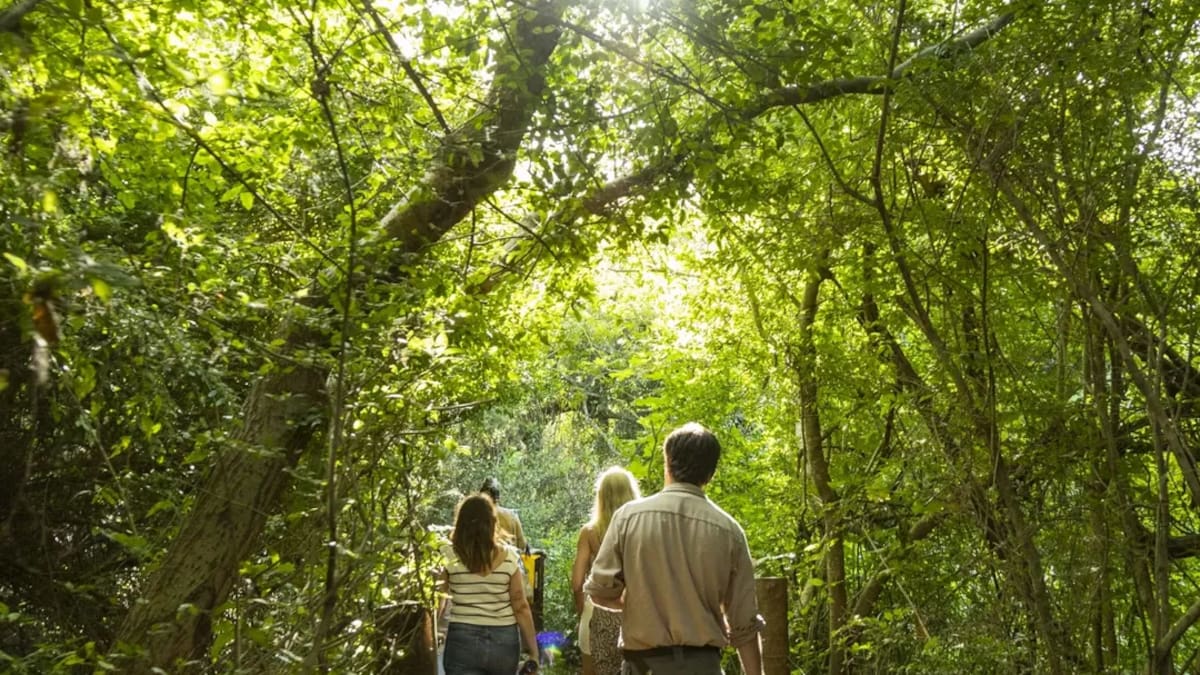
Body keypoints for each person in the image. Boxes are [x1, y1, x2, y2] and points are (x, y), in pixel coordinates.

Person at [584, 423, 765, 675]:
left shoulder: (628, 518)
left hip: (642, 666)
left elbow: (599, 591)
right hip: (702, 667)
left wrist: (639, 605)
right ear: (710, 474)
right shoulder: (729, 531)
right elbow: (744, 625)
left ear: (667, 462)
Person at [439, 494, 540, 675]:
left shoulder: (448, 555)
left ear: (460, 523)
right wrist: (533, 652)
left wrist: (431, 639)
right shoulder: (509, 557)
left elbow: (439, 601)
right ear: (492, 522)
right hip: (503, 641)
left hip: (462, 639)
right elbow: (520, 606)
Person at [572, 467, 641, 675]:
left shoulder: (589, 533)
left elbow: (577, 583)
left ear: (601, 497)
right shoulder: (641, 531)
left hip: (596, 612)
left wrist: (583, 612)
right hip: (634, 615)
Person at [480, 477, 528, 551]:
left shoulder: (478, 516)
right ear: (498, 497)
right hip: (510, 557)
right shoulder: (512, 516)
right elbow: (522, 545)